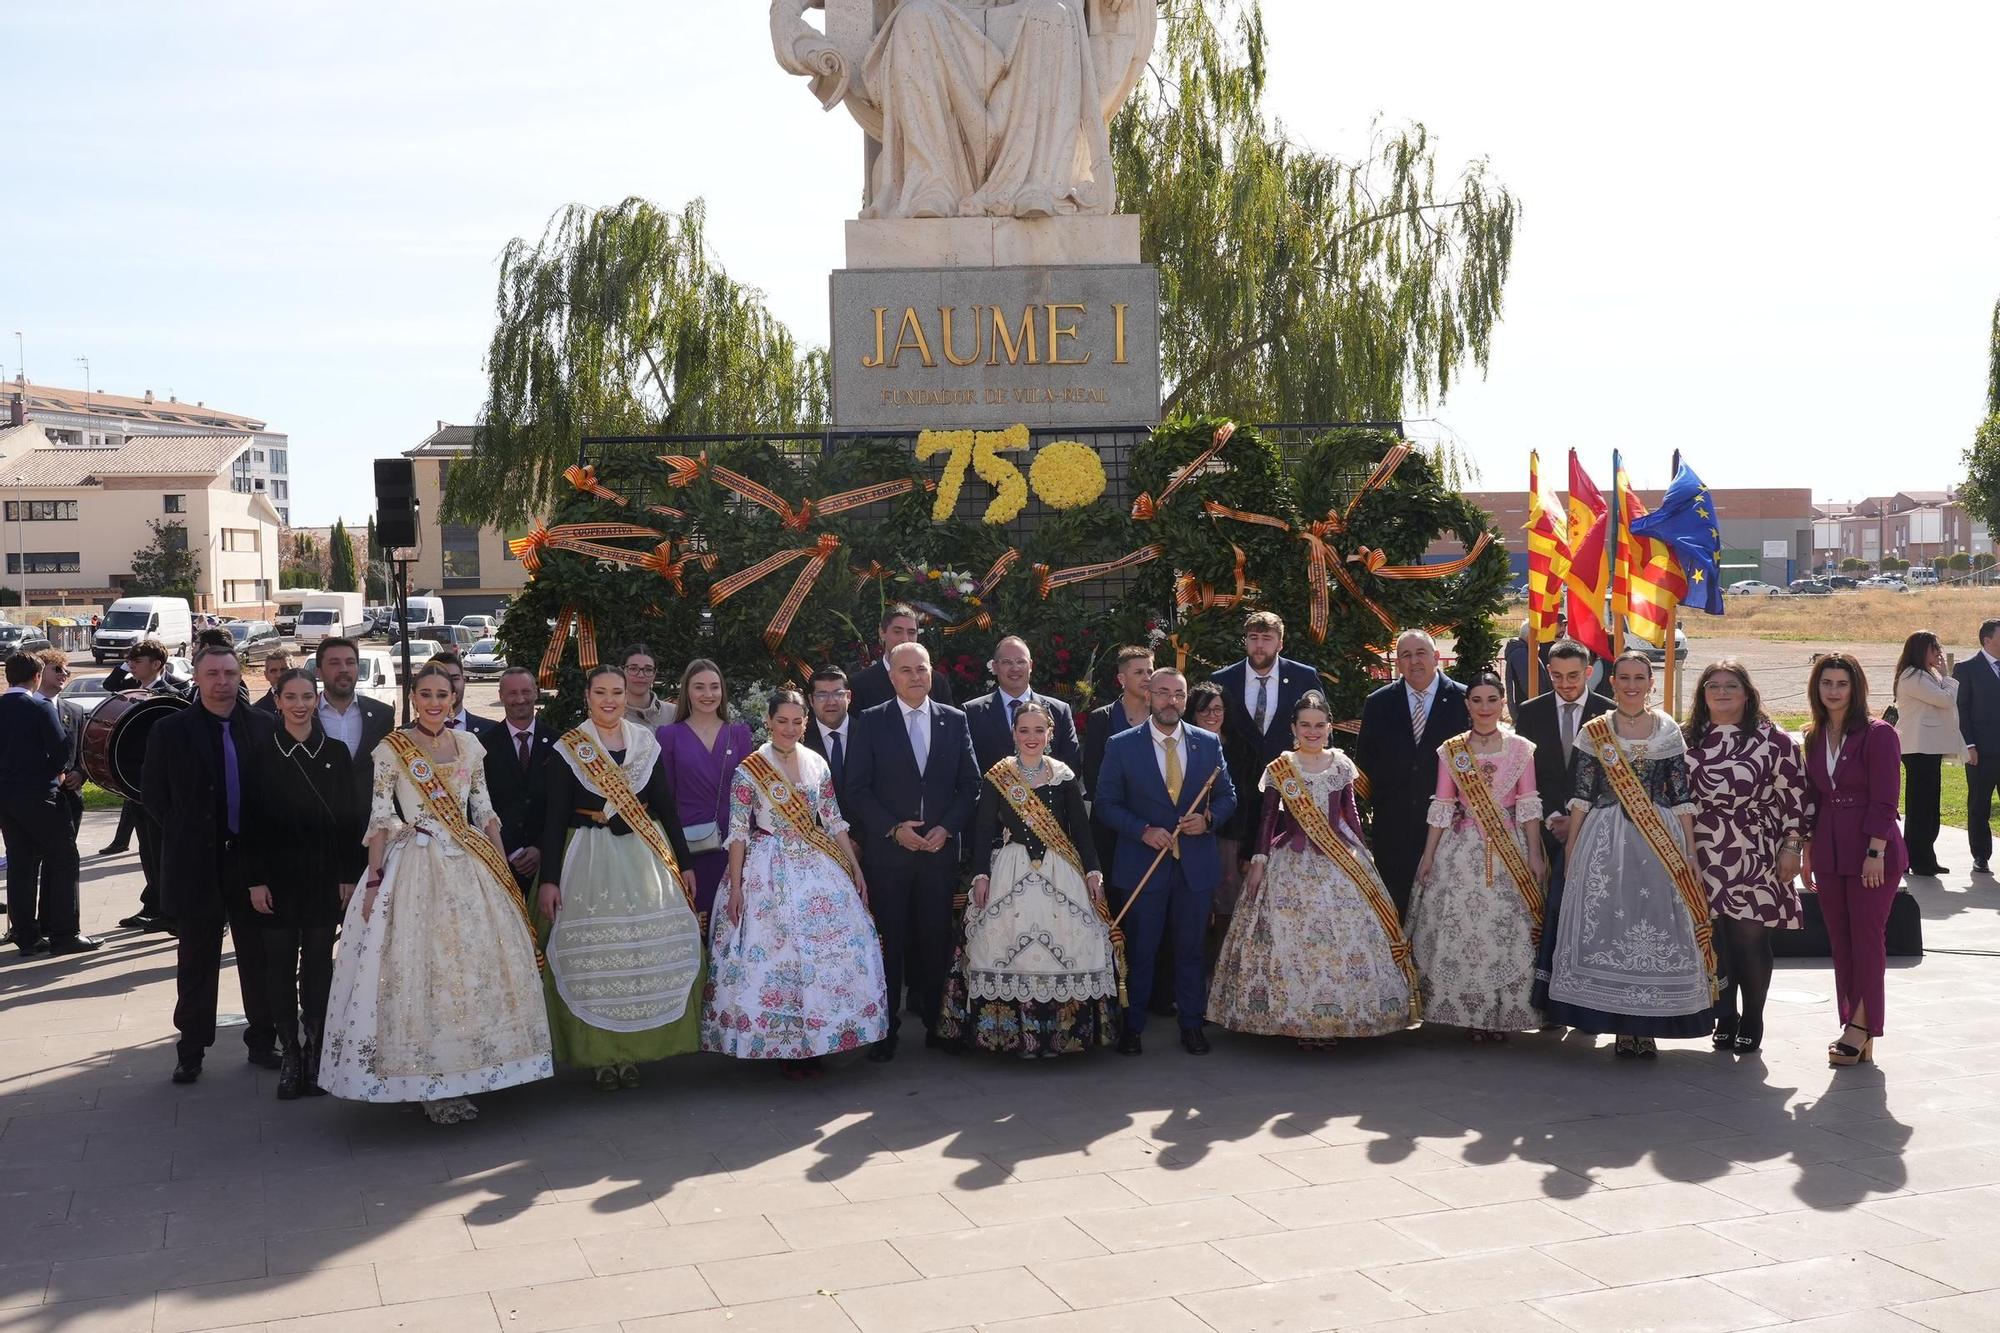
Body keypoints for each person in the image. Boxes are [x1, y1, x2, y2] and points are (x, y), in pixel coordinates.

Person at [319, 664, 552, 1122]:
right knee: (422, 971)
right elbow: (381, 817)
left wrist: (502, 870)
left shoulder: (469, 744)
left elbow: (484, 810)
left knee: (470, 970)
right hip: (415, 866)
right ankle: (427, 1080)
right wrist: (373, 880)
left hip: (470, 863)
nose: (433, 702)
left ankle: (473, 1068)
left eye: (441, 694)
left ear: (454, 698)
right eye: (424, 693)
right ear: (413, 697)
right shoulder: (393, 749)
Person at [1211, 691, 1411, 1047]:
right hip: (1290, 859)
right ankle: (1297, 1021)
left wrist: (1364, 859)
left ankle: (1339, 1020)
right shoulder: (1280, 768)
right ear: (1293, 728)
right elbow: (1268, 820)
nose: (1312, 731)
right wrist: (1258, 863)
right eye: (1305, 725)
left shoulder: (1340, 765)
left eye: (1319, 725)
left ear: (1330, 728)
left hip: (1338, 861)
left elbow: (1350, 816)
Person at [702, 689, 886, 1075]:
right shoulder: (750, 768)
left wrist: (854, 868)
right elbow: (736, 831)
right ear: (768, 721)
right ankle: (784, 1048)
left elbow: (833, 821)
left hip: (818, 867)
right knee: (778, 956)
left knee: (823, 955)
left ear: (806, 723)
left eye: (797, 721)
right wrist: (735, 888)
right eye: (781, 721)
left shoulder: (817, 763)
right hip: (767, 869)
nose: (789, 728)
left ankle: (818, 1041)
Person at [538, 665, 703, 1090]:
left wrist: (684, 863)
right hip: (587, 861)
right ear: (587, 696)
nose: (609, 700)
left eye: (616, 692)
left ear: (626, 695)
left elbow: (667, 807)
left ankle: (634, 1055)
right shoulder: (569, 748)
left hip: (645, 858)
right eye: (600, 692)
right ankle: (599, 1057)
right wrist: (550, 879)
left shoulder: (645, 744)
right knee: (594, 961)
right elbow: (553, 820)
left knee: (638, 959)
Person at [1543, 651, 1714, 1058]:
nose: (1632, 685)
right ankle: (1620, 1025)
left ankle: (1648, 1025)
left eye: (1640, 678)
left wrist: (1689, 851)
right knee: (1611, 928)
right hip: (1605, 841)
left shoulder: (1669, 729)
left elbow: (1680, 795)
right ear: (1613, 683)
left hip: (1660, 841)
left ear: (1651, 683)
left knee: (1654, 924)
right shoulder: (1595, 731)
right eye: (1625, 678)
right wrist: (1571, 849)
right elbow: (1581, 797)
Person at [938, 699, 1116, 1057]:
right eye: (1024, 730)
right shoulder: (998, 776)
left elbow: (1081, 831)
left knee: (1069, 948)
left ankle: (1059, 1037)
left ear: (1050, 734)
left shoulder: (1063, 775)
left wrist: (1093, 872)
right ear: (1014, 734)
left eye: (1039, 730)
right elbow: (983, 828)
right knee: (1004, 949)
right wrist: (981, 876)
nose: (1031, 737)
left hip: (1060, 870)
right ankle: (1014, 1037)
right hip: (1011, 868)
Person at [141, 644, 278, 1082]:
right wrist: (191, 834)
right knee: (196, 960)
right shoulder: (170, 730)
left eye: (230, 673)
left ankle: (262, 1039)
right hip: (197, 863)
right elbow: (155, 798)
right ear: (196, 679)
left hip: (250, 862)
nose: (222, 682)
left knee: (258, 957)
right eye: (213, 674)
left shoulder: (263, 726)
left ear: (242, 677)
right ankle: (192, 1049)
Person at [845, 641, 980, 1060]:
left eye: (922, 669)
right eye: (906, 670)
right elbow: (856, 788)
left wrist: (946, 828)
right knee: (891, 942)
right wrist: (891, 829)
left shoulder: (954, 721)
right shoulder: (869, 721)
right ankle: (884, 1031)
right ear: (891, 676)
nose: (916, 677)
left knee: (936, 941)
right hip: (890, 856)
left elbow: (970, 785)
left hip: (938, 854)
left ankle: (941, 1027)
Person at [1094, 667, 1238, 1055]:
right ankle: (1132, 1028)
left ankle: (1192, 1026)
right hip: (1144, 865)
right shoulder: (1121, 745)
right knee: (1142, 950)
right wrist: (1141, 829)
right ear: (1148, 695)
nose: (1170, 701)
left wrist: (1207, 819)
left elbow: (1228, 796)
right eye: (1162, 693)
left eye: (1178, 694)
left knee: (1191, 951)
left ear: (1186, 698)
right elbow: (1106, 804)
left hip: (1194, 868)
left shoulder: (1207, 744)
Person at [244, 668, 364, 1099]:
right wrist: (255, 880)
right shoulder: (260, 753)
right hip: (276, 878)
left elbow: (351, 820)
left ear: (317, 701)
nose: (299, 704)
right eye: (290, 696)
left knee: (318, 963)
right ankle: (290, 1055)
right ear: (276, 700)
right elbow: (250, 824)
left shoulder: (333, 751)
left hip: (323, 877)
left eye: (306, 697)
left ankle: (316, 1053)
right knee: (278, 966)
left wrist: (350, 874)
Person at [1411, 673, 1546, 1041]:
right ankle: (1471, 1015)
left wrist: (1534, 854)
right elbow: (1442, 805)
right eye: (1477, 700)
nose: (1485, 707)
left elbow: (1529, 805)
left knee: (1505, 931)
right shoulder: (1452, 749)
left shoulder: (1521, 748)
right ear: (1467, 704)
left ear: (1503, 702)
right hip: (1461, 850)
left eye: (1492, 699)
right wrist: (1428, 857)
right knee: (1463, 929)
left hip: (1509, 850)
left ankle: (1501, 1015)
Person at [1684, 660, 1806, 1055]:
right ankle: (1725, 1014)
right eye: (1713, 685)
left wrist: (1792, 846)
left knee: (1749, 937)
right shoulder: (1685, 738)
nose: (1721, 692)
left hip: (1754, 848)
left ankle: (1753, 1014)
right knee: (1716, 938)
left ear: (1747, 693)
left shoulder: (1774, 739)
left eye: (1731, 685)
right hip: (1700, 848)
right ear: (1702, 694)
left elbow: (1795, 796)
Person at [1801, 653, 1906, 1068]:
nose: (1833, 691)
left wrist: (1875, 851)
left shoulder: (1878, 734)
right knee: (1841, 943)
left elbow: (1885, 796)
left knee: (1866, 939)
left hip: (1871, 850)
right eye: (1826, 683)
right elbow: (1812, 797)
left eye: (1841, 683)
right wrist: (1809, 848)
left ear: (1855, 687)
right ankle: (1852, 1022)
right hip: (1829, 849)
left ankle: (1861, 1027)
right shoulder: (1812, 734)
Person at [1512, 638, 1613, 1015]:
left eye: (1573, 676)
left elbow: (1611, 778)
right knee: (1547, 914)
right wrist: (1553, 816)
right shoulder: (1530, 712)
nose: (1566, 683)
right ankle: (1550, 1002)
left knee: (1586, 916)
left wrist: (1578, 819)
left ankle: (1585, 1003)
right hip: (1545, 826)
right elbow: (1527, 771)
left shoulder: (1608, 714)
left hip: (1592, 829)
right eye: (1557, 676)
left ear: (1588, 672)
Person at [1356, 630, 1471, 917]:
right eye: (1405, 655)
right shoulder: (1378, 702)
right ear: (1397, 663)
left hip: (1450, 826)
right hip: (1393, 825)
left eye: (1421, 653)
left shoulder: (1463, 699)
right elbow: (1365, 762)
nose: (1414, 661)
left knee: (1443, 906)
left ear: (1436, 657)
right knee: (1396, 905)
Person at [0, 653, 92, 957]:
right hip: (40, 795)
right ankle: (65, 933)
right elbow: (61, 748)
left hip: (6, 798)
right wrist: (54, 770)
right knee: (65, 858)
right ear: (36, 676)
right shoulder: (39, 707)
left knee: (21, 864)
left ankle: (26, 935)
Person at [657, 658, 755, 923]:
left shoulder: (739, 734)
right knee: (696, 921)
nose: (708, 694)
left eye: (714, 687)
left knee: (735, 920)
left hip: (735, 843)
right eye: (699, 687)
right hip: (691, 845)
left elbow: (751, 794)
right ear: (687, 691)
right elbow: (665, 798)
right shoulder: (668, 735)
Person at [113, 640, 188, 930]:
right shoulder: (128, 692)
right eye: (130, 660)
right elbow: (111, 683)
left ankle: (167, 910)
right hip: (135, 785)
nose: (131, 664)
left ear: (157, 664)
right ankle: (154, 904)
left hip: (162, 789)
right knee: (147, 849)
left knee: (162, 851)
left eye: (138, 660)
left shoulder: (173, 694)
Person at [1210, 611, 1321, 777]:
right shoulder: (1223, 680)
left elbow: (1321, 726)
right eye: (1253, 637)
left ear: (1280, 644)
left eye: (1267, 638)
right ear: (1246, 641)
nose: (1259, 645)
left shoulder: (1303, 677)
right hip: (1236, 782)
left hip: (1291, 780)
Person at [477, 666, 556, 893]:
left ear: (536, 693)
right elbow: (480, 805)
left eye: (525, 691)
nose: (520, 699)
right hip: (502, 860)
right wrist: (511, 850)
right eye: (512, 693)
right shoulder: (483, 746)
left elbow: (562, 804)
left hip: (548, 863)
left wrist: (540, 848)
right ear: (500, 696)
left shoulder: (559, 742)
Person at [1187, 681, 1255, 936]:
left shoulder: (1242, 749)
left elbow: (1251, 802)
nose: (1211, 715)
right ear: (1192, 712)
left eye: (1217, 709)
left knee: (1228, 910)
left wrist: (1249, 849)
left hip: (1230, 841)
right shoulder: (1181, 744)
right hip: (1190, 839)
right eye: (1204, 709)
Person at [1082, 644, 1153, 882]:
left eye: (1150, 671)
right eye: (1139, 672)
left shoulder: (1162, 717)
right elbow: (1092, 775)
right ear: (1122, 678)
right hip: (1110, 827)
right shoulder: (1101, 719)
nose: (1146, 678)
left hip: (1154, 825)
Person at [1894, 630, 1962, 877]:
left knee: (1929, 805)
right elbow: (1945, 700)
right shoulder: (1913, 676)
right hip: (1918, 748)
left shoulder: (1925, 675)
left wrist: (1942, 678)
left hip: (1929, 748)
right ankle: (1917, 858)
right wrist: (1948, 677)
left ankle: (1924, 856)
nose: (1939, 654)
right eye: (1934, 649)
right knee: (1921, 806)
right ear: (1922, 650)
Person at [962, 635, 1081, 772]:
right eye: (1007, 662)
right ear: (995, 667)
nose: (1015, 668)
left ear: (1030, 665)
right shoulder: (972, 713)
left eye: (1021, 661)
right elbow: (966, 770)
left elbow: (1071, 767)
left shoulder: (1059, 711)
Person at [313, 637, 395, 804]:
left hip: (369, 822)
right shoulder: (305, 717)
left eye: (350, 662)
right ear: (319, 672)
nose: (344, 669)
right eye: (334, 663)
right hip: (317, 821)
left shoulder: (382, 716)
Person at [1952, 617, 2000, 874]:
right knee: (1979, 805)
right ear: (1988, 640)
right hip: (1981, 752)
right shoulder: (1967, 668)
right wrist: (1969, 745)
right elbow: (1961, 710)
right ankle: (1981, 855)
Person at [849, 604, 957, 712]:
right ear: (882, 633)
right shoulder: (860, 684)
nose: (905, 639)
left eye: (911, 632)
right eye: (897, 631)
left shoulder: (936, 682)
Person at [800, 665, 855, 819]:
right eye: (822, 695)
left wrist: (858, 838)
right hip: (819, 837)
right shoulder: (800, 741)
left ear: (849, 697)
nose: (831, 702)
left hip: (869, 837)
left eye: (838, 694)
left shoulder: (868, 733)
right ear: (811, 700)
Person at [621, 643, 672, 729]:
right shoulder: (613, 716)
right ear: (622, 671)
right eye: (633, 668)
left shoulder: (673, 713)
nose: (641, 675)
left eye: (648, 669)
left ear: (655, 673)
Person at [425, 651, 477, 729]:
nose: (449, 685)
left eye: (454, 678)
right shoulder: (405, 736)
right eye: (441, 679)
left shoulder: (490, 730)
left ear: (464, 681)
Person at [251, 649, 294, 714]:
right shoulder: (257, 711)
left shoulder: (309, 704)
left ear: (294, 671)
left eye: (284, 670)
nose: (279, 675)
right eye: (273, 671)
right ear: (266, 675)